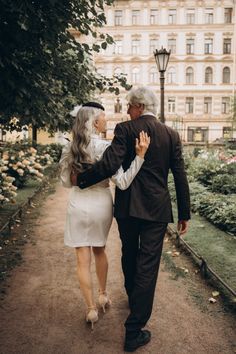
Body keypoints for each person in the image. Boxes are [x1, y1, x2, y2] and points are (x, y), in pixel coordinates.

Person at [72, 88, 190, 352]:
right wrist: (185, 213)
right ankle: (134, 328)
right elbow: (179, 176)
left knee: (129, 255)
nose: (126, 111)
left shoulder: (125, 129)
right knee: (148, 264)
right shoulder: (171, 135)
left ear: (138, 106)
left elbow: (110, 164)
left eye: (128, 106)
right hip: (157, 211)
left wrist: (81, 180)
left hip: (127, 208)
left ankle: (134, 298)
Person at [59, 101, 150, 330]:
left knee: (82, 256)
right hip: (101, 203)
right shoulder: (106, 148)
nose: (106, 121)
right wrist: (139, 157)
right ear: (94, 121)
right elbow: (122, 181)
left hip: (78, 203)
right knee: (99, 250)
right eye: (103, 117)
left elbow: (65, 183)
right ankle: (102, 295)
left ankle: (90, 309)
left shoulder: (70, 147)